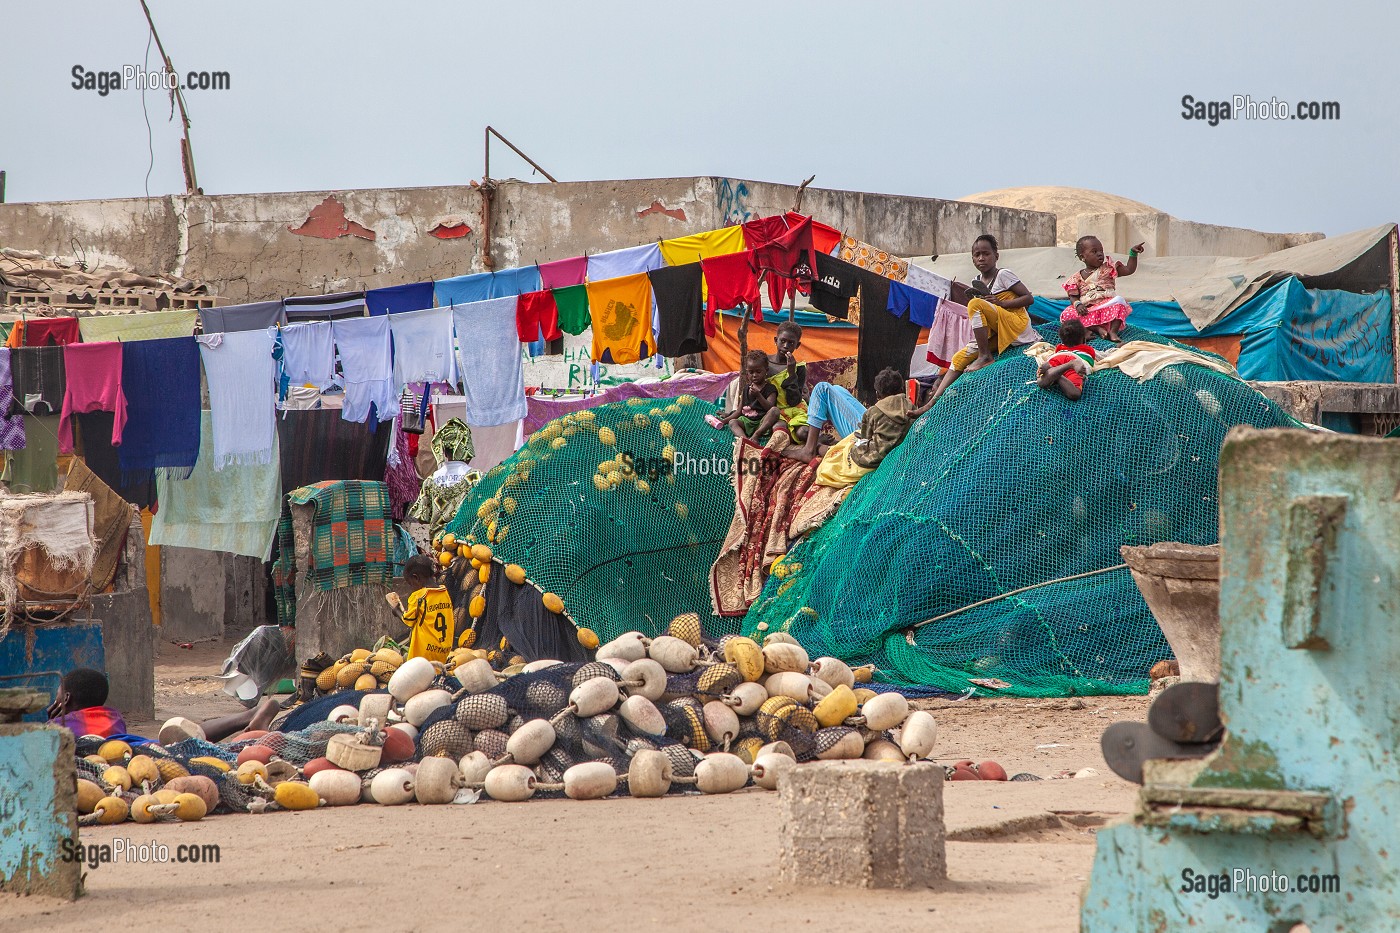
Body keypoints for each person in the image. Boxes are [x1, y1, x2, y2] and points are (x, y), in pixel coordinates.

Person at [929, 234, 1037, 403]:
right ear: (972, 259)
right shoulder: (977, 281)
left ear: (996, 256)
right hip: (999, 331)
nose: (981, 258)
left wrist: (1001, 304)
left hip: (1016, 324)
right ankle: (932, 403)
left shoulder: (1003, 275)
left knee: (975, 304)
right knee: (959, 358)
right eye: (977, 255)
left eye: (986, 254)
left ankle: (985, 355)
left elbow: (1029, 299)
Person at [814, 368, 934, 488]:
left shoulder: (873, 412)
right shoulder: (911, 407)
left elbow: (865, 437)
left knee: (841, 451)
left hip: (872, 460)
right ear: (902, 389)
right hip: (893, 452)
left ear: (877, 394)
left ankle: (817, 447)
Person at [1063, 235, 1143, 342]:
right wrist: (1078, 305)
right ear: (1082, 257)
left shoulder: (1108, 269)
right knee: (1066, 314)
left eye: (1101, 251)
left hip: (1106, 307)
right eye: (1094, 251)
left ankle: (1112, 332)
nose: (1100, 254)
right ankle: (1093, 329)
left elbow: (1129, 269)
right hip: (1088, 311)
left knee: (1119, 301)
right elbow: (1073, 296)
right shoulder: (1076, 278)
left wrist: (1133, 254)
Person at [399, 554, 459, 664]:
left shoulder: (418, 596)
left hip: (424, 653)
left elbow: (409, 620)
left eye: (410, 583)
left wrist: (397, 611)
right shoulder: (444, 592)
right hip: (443, 650)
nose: (411, 587)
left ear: (416, 578)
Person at [712, 350, 780, 439]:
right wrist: (724, 421)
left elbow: (770, 408)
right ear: (747, 373)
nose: (754, 375)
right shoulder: (746, 389)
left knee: (775, 411)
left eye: (758, 372)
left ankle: (756, 435)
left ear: (766, 370)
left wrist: (758, 395)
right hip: (747, 421)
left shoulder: (770, 388)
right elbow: (739, 411)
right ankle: (745, 440)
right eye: (751, 372)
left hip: (762, 422)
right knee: (733, 422)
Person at [765, 321, 810, 441]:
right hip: (773, 412)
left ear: (797, 345)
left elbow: (794, 401)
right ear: (776, 340)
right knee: (779, 429)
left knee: (803, 433)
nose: (786, 346)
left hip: (795, 410)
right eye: (782, 341)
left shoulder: (799, 368)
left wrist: (791, 373)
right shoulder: (764, 363)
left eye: (791, 343)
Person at [1037, 315, 1097, 401]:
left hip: (1056, 359)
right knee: (1075, 393)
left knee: (1041, 382)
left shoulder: (1059, 347)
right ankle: (1070, 365)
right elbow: (1093, 359)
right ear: (1083, 339)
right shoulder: (1088, 349)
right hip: (1074, 359)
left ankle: (1055, 373)